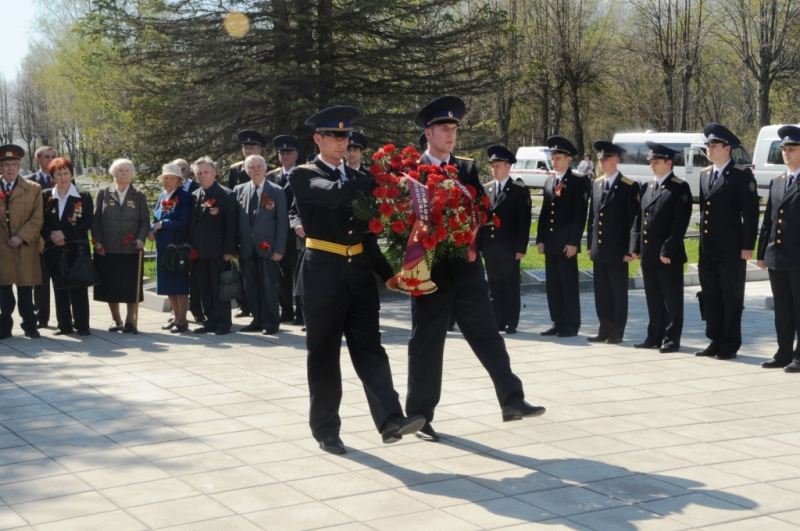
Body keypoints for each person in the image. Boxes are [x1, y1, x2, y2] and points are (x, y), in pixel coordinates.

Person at [406, 96, 545, 444]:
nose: (451, 134)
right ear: (428, 133)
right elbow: (404, 222)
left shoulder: (466, 168)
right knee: (427, 342)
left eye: (454, 128)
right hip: (431, 270)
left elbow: (479, 211)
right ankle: (420, 415)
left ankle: (512, 399)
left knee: (487, 334)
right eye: (444, 129)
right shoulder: (411, 170)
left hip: (466, 268)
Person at [291, 106, 425, 455]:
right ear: (318, 139)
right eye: (334, 136)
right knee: (323, 358)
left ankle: (391, 419)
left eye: (346, 136)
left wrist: (388, 275)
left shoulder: (357, 178)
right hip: (322, 277)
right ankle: (326, 429)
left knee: (371, 352)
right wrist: (379, 179)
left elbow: (366, 236)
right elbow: (333, 194)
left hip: (358, 278)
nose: (342, 142)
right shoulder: (304, 175)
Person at [695, 123, 759, 361]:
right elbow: (703, 212)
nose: (709, 150)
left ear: (727, 148)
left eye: (713, 146)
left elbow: (751, 214)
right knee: (711, 295)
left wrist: (747, 246)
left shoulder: (741, 175)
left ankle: (730, 343)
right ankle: (715, 339)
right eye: (708, 146)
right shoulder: (705, 175)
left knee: (731, 296)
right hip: (708, 249)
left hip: (731, 249)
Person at [630, 142, 692, 353]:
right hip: (648, 253)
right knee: (653, 298)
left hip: (667, 255)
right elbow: (639, 219)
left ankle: (671, 339)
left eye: (656, 162)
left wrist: (668, 250)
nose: (652, 165)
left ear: (669, 162)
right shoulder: (647, 186)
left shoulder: (679, 186)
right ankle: (653, 336)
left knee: (672, 300)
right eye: (651, 162)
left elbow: (679, 223)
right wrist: (635, 246)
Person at [585, 140, 640, 344]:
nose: (602, 162)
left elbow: (634, 219)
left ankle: (617, 330)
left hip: (618, 250)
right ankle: (604, 328)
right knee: (602, 293)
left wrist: (630, 249)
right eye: (600, 158)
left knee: (618, 293)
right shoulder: (597, 184)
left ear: (617, 159)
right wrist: (590, 245)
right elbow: (592, 218)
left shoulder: (628, 186)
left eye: (606, 158)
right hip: (599, 249)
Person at [536, 135, 590, 337]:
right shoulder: (550, 181)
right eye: (553, 157)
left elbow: (580, 214)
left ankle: (571, 323)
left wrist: (573, 242)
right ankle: (557, 321)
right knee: (553, 285)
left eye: (558, 157)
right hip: (551, 242)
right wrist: (540, 238)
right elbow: (544, 213)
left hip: (566, 243)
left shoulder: (578, 181)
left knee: (568, 285)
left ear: (568, 159)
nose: (554, 160)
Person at [758, 125, 800, 372]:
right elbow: (769, 222)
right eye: (784, 149)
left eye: (792, 149)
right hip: (777, 256)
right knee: (782, 308)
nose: (787, 153)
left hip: (798, 257)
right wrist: (763, 252)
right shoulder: (777, 181)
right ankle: (783, 352)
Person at [477, 145, 531, 335]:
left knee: (510, 286)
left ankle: (511, 322)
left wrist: (521, 247)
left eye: (498, 165)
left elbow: (523, 222)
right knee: (494, 286)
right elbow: (482, 220)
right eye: (492, 165)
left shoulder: (518, 190)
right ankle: (497, 320)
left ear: (508, 167)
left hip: (509, 248)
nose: (494, 169)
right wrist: (481, 245)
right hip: (491, 247)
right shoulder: (486, 189)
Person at [92, 159, 150, 333]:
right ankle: (116, 320)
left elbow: (145, 221)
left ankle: (130, 320)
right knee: (111, 285)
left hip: (131, 248)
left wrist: (141, 239)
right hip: (108, 248)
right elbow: (95, 219)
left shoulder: (138, 195)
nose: (123, 174)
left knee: (130, 285)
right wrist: (97, 241)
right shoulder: (103, 192)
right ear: (113, 173)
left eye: (127, 171)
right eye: (120, 171)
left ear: (132, 174)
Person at [41, 158, 93, 336]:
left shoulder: (83, 195)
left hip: (75, 248)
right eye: (58, 174)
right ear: (52, 176)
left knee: (78, 287)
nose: (63, 178)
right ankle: (64, 325)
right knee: (59, 287)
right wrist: (53, 235)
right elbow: (41, 221)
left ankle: (82, 326)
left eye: (66, 173)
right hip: (54, 248)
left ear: (71, 174)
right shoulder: (46, 195)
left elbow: (87, 221)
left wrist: (65, 234)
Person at [235, 155, 287, 335]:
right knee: (250, 286)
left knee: (269, 286)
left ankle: (271, 322)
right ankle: (257, 320)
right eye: (251, 167)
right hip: (246, 248)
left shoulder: (276, 191)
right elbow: (235, 221)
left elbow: (282, 222)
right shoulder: (239, 190)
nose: (255, 170)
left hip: (268, 247)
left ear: (265, 169)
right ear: (246, 170)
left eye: (259, 167)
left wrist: (279, 249)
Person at [190, 157, 239, 335]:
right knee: (204, 289)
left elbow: (231, 226)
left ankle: (223, 323)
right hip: (199, 252)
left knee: (220, 289)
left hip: (218, 251)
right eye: (199, 173)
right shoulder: (195, 196)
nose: (203, 176)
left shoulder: (226, 195)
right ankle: (209, 321)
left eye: (206, 172)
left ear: (214, 173)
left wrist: (228, 251)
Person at [0, 145, 43, 339]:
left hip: (25, 246)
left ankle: (30, 326)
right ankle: (4, 327)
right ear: (1, 168)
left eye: (14, 165)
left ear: (19, 167)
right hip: (2, 248)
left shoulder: (33, 188)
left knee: (26, 289)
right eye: (6, 165)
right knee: (3, 290)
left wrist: (21, 236)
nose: (10, 168)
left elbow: (37, 218)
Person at [149, 164, 192, 333]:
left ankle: (183, 320)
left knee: (179, 284)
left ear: (179, 181)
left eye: (171, 178)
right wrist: (152, 228)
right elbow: (155, 217)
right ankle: (175, 317)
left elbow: (184, 222)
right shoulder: (162, 195)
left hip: (177, 247)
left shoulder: (184, 197)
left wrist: (162, 224)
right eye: (165, 178)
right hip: (163, 247)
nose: (167, 181)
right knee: (168, 284)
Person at [228, 130, 266, 318]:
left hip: (261, 230)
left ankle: (264, 308)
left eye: (252, 147)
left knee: (263, 274)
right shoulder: (235, 170)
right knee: (244, 272)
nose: (248, 150)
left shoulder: (269, 169)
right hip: (243, 229)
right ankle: (244, 305)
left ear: (260, 149)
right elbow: (230, 200)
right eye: (246, 147)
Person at [267, 135, 304, 325]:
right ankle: (286, 310)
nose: (285, 155)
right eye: (282, 153)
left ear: (296, 154)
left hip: (296, 233)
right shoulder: (272, 176)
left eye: (289, 152)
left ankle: (300, 313)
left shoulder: (304, 173)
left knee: (299, 273)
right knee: (282, 274)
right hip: (277, 233)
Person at [28, 146, 57, 329]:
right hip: (38, 239)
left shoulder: (65, 178)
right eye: (47, 157)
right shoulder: (30, 182)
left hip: (61, 239)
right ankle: (42, 315)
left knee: (63, 278)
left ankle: (65, 315)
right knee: (40, 280)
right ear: (38, 159)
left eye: (54, 157)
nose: (51, 160)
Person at [173, 158, 203, 323]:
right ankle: (175, 312)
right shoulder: (169, 189)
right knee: (176, 275)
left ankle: (197, 310)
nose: (180, 173)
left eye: (183, 169)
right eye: (176, 170)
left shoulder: (197, 188)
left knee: (195, 278)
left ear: (188, 171)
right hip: (175, 240)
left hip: (193, 241)